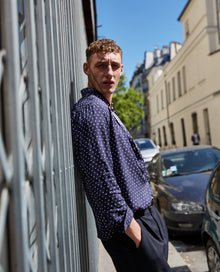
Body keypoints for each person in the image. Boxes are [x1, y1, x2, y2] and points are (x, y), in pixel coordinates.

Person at [71, 39, 171, 272]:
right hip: (130, 231)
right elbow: (100, 179)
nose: (109, 73)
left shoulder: (104, 107)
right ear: (87, 68)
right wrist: (136, 234)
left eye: (114, 66)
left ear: (122, 69)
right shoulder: (92, 110)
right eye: (101, 65)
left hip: (143, 222)